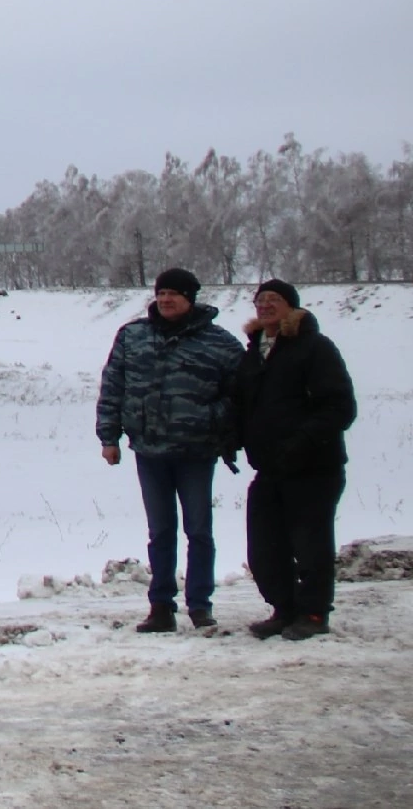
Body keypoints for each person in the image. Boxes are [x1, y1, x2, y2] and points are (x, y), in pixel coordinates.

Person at [95, 266, 243, 631]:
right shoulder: (133, 337)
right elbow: (113, 386)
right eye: (160, 294)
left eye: (173, 294)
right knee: (160, 532)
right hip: (149, 450)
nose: (165, 300)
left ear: (190, 299)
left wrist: (212, 419)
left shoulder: (219, 343)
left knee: (199, 531)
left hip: (196, 452)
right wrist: (109, 437)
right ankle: (161, 607)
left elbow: (242, 393)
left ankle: (200, 605)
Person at [229, 279, 358, 640]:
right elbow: (242, 404)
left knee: (310, 545)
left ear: (292, 307)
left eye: (274, 299)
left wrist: (302, 442)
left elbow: (339, 407)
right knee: (264, 548)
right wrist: (232, 438)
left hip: (314, 467)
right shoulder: (254, 354)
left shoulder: (315, 348)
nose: (266, 305)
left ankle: (314, 614)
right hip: (270, 467)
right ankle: (284, 610)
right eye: (260, 300)